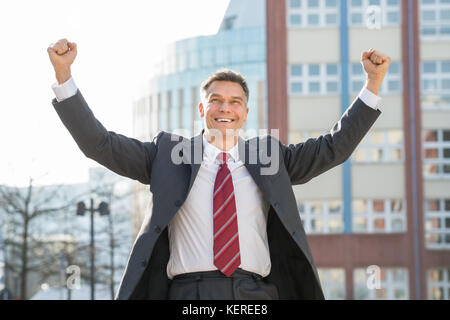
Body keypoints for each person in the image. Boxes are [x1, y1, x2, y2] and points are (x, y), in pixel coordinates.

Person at [47, 38, 390, 300]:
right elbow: (100, 144)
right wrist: (64, 77)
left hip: (255, 293)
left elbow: (334, 147)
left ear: (245, 112)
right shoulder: (169, 155)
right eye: (216, 100)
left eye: (235, 102)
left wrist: (372, 85)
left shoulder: (270, 157)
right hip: (189, 293)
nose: (225, 108)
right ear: (202, 108)